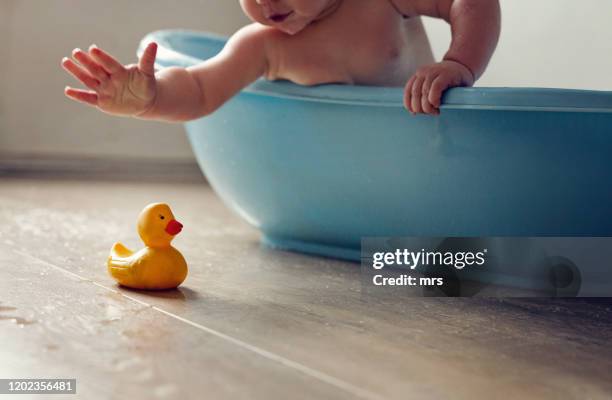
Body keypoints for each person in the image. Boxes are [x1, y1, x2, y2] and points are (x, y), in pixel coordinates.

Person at [61, 0, 500, 120]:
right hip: (334, 180)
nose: (264, 1)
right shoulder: (265, 44)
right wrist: (150, 100)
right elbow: (199, 89)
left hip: (417, 157)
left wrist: (458, 63)